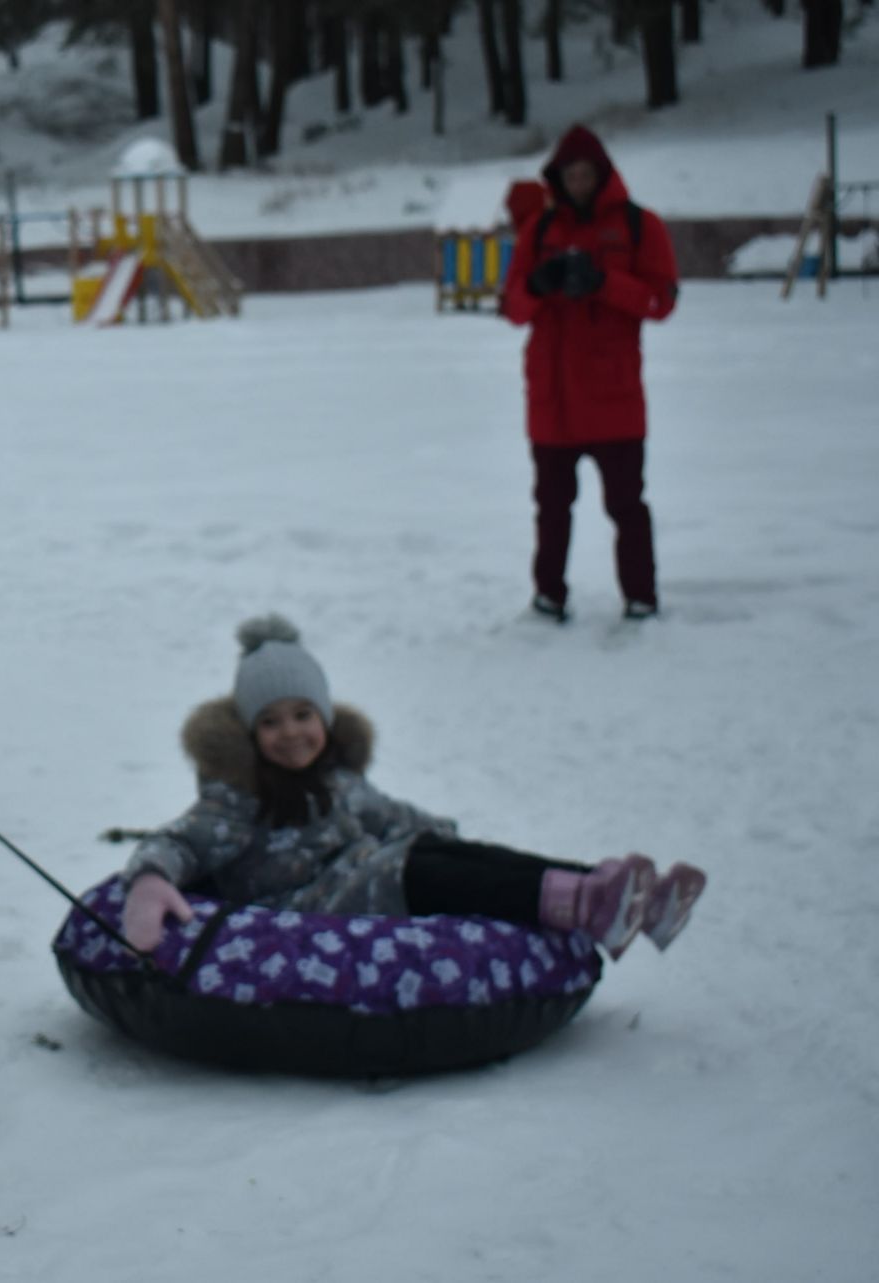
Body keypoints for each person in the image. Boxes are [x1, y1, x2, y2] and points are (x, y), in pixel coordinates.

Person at [120, 615, 706, 957]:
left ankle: (624, 895)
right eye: (270, 722)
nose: (290, 734)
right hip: (312, 905)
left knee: (457, 857)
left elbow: (392, 815)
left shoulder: (338, 778)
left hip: (374, 871)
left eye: (303, 715)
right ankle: (586, 905)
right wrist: (149, 881)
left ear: (325, 718)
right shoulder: (238, 796)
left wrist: (444, 835)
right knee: (424, 869)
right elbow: (181, 842)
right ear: (250, 732)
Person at [500, 125, 679, 624]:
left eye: (585, 174)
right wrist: (539, 283)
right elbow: (513, 308)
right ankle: (548, 597)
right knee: (551, 512)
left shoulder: (640, 227)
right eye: (570, 175)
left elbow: (660, 300)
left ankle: (641, 597)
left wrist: (603, 283)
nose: (578, 183)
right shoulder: (537, 232)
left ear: (602, 176)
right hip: (552, 404)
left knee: (627, 506)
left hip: (613, 401)